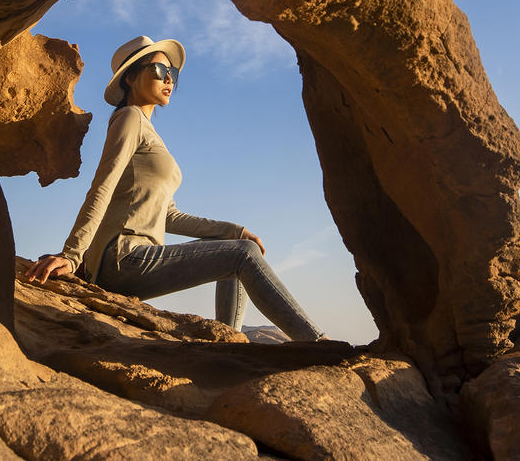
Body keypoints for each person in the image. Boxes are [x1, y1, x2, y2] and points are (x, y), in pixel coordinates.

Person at [24, 35, 325, 341]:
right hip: (124, 258)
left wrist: (233, 230)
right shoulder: (129, 118)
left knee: (237, 250)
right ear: (130, 77)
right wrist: (72, 255)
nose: (168, 79)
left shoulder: (149, 130)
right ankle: (317, 343)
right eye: (158, 71)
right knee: (242, 255)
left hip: (139, 257)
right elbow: (103, 184)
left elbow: (167, 214)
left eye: (173, 74)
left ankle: (230, 345)